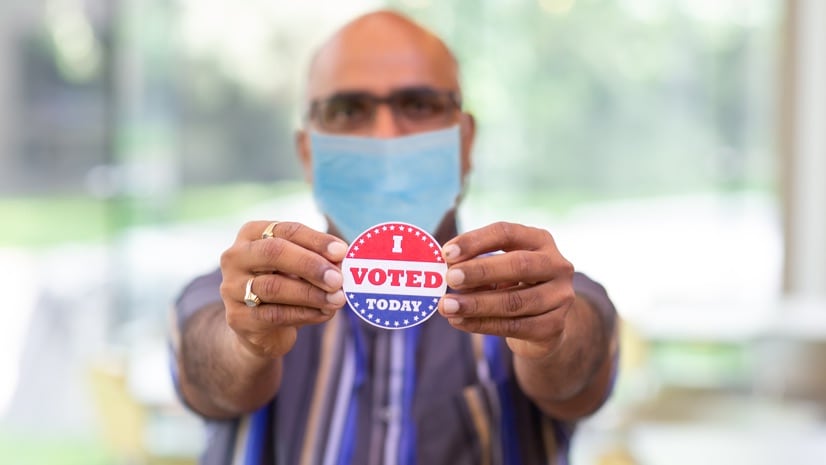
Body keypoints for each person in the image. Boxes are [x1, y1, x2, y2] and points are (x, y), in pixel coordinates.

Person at [170, 9, 619, 465]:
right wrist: (244, 341)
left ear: (465, 142)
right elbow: (207, 377)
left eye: (418, 105)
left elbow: (580, 372)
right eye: (348, 110)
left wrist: (551, 337)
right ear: (307, 152)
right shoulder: (240, 293)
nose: (385, 136)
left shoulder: (538, 294)